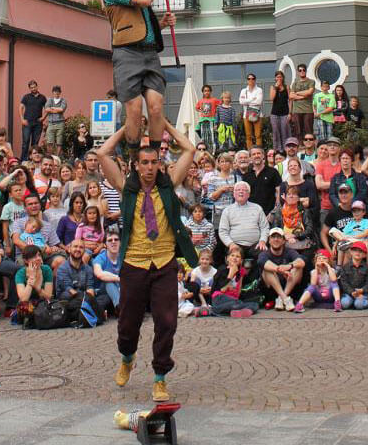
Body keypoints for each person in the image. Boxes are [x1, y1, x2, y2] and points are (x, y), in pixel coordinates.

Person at [98, 121, 197, 403]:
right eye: (144, 162)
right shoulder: (125, 188)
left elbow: (189, 148)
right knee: (128, 325)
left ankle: (160, 378)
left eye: (154, 162)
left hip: (165, 263)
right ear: (137, 165)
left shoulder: (169, 185)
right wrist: (129, 129)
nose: (150, 167)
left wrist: (163, 124)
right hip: (134, 263)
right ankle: (127, 358)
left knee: (167, 322)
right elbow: (104, 154)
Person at [102, 0, 176, 162]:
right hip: (127, 53)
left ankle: (153, 157)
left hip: (149, 52)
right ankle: (134, 159)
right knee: (134, 110)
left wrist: (161, 24)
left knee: (155, 107)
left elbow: (142, 27)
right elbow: (144, 0)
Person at [257, 228, 305, 311]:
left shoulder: (290, 251)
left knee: (297, 267)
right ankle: (285, 299)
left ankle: (281, 298)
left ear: (283, 241)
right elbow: (261, 262)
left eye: (279, 237)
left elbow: (301, 262)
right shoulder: (265, 253)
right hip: (271, 288)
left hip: (289, 285)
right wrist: (280, 270)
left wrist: (288, 266)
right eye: (273, 237)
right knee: (267, 269)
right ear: (269, 240)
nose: (276, 239)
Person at [218, 182, 269, 259]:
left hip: (255, 245)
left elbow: (265, 227)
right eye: (238, 190)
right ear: (234, 194)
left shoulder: (257, 208)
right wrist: (230, 244)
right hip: (235, 245)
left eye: (244, 190)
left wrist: (263, 241)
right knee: (233, 257)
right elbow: (223, 231)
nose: (241, 192)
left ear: (248, 194)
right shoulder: (227, 210)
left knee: (263, 255)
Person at [211, 244, 258, 318]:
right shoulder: (222, 269)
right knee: (236, 303)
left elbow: (238, 291)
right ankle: (213, 310)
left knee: (255, 304)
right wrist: (231, 273)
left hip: (233, 300)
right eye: (232, 255)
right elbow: (222, 290)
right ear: (227, 258)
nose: (234, 258)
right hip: (220, 297)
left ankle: (237, 311)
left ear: (241, 261)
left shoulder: (241, 271)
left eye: (237, 256)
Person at [243, 147, 282, 218]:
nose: (256, 156)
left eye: (258, 153)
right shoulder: (246, 175)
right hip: (251, 215)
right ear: (250, 158)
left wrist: (274, 212)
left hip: (269, 215)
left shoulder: (273, 172)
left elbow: (278, 191)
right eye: (254, 154)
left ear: (263, 156)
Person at [337, 241, 368, 310]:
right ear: (351, 252)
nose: (357, 253)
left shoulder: (367, 268)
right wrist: (351, 292)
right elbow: (344, 282)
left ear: (364, 255)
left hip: (362, 293)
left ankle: (367, 302)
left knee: (359, 305)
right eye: (355, 250)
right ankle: (354, 302)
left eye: (360, 251)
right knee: (344, 304)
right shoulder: (345, 267)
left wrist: (362, 290)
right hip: (349, 293)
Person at [92, 232, 123, 311]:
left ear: (120, 243)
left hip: (121, 289)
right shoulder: (100, 258)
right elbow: (99, 274)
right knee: (109, 281)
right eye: (110, 240)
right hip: (103, 293)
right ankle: (120, 308)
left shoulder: (123, 256)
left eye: (116, 239)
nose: (113, 242)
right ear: (105, 245)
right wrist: (120, 279)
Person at [19, 79, 47, 160]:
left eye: (34, 87)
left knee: (35, 144)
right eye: (31, 88)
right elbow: (20, 107)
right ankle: (23, 160)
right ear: (29, 88)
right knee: (25, 143)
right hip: (27, 123)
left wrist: (44, 117)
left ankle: (33, 160)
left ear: (37, 87)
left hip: (38, 124)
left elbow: (47, 108)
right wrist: (22, 119)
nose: (33, 89)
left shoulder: (42, 97)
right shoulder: (26, 97)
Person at [239, 73, 263, 149]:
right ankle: (250, 152)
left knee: (258, 135)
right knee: (248, 135)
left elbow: (259, 102)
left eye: (252, 78)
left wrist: (247, 101)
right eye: (249, 79)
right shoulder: (243, 90)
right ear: (247, 80)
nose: (251, 80)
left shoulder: (259, 90)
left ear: (255, 80)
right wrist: (252, 99)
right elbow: (241, 102)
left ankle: (258, 151)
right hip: (246, 115)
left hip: (257, 114)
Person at [195, 84, 221, 154]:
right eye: (205, 91)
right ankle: (204, 152)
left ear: (211, 92)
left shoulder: (214, 100)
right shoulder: (201, 101)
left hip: (211, 120)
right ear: (203, 92)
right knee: (204, 137)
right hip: (203, 121)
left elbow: (220, 105)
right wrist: (200, 110)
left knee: (211, 137)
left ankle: (213, 153)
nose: (207, 92)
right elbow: (197, 108)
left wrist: (216, 110)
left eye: (208, 91)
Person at [43, 85, 67, 157]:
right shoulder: (50, 100)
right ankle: (50, 157)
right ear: (53, 92)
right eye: (55, 92)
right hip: (51, 123)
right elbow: (46, 109)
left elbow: (62, 109)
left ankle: (57, 157)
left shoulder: (63, 100)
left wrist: (52, 108)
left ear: (60, 93)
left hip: (60, 123)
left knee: (59, 142)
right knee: (49, 141)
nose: (56, 93)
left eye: (58, 92)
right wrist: (56, 109)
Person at [269, 70, 290, 153]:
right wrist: (276, 87)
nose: (279, 78)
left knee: (285, 131)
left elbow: (290, 100)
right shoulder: (273, 87)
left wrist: (290, 113)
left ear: (283, 78)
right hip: (274, 113)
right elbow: (272, 98)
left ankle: (285, 149)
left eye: (280, 77)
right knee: (276, 132)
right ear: (275, 78)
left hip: (285, 113)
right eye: (277, 77)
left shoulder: (287, 87)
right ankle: (277, 150)